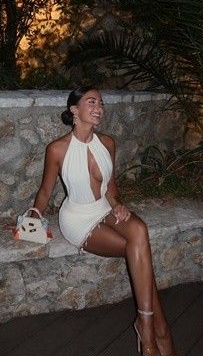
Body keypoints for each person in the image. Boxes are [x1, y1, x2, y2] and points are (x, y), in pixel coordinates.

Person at [31, 87, 176, 356]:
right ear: (74, 109)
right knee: (139, 254)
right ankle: (159, 331)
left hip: (105, 208)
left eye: (101, 103)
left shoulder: (107, 143)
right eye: (91, 102)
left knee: (139, 230)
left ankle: (147, 327)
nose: (99, 108)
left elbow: (110, 186)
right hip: (78, 219)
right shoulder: (57, 149)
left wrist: (118, 203)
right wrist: (32, 218)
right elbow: (45, 192)